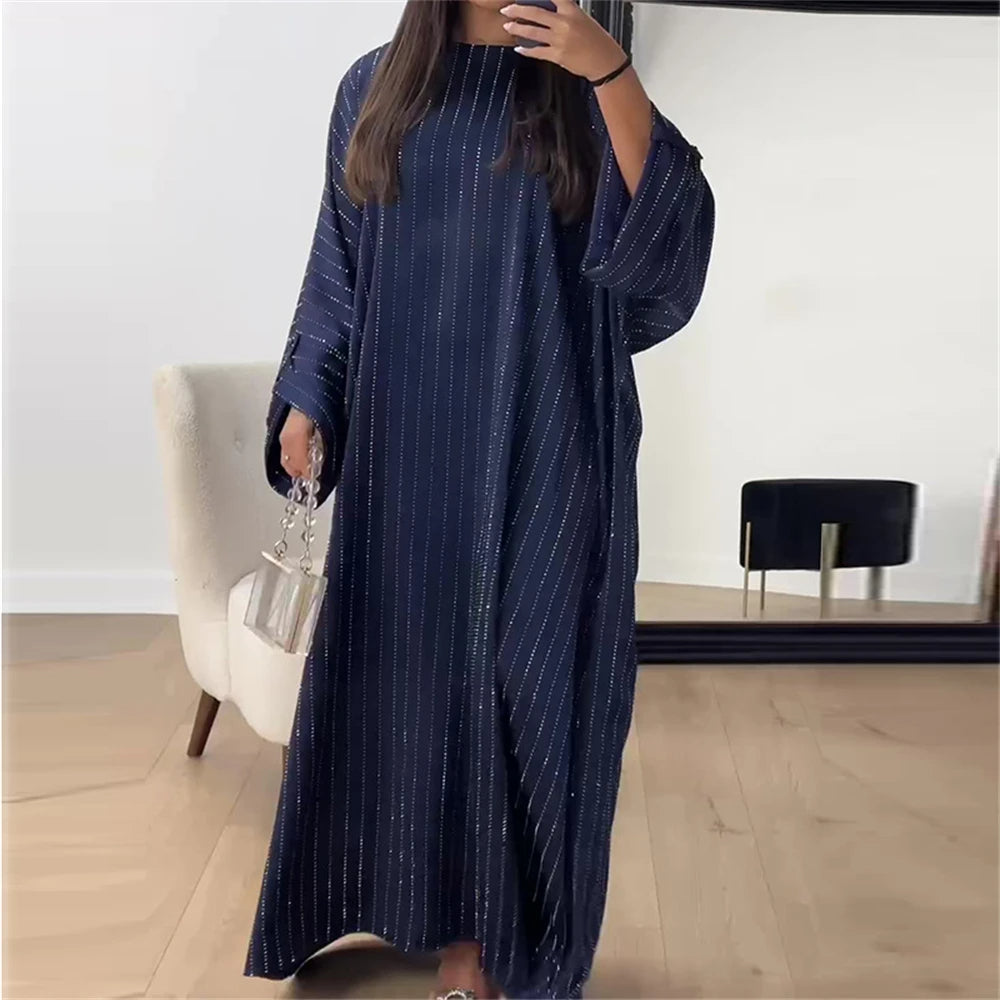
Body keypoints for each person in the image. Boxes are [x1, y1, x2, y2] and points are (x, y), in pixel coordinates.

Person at [242, 0, 714, 997]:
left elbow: (664, 255)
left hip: (552, 440)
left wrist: (609, 71)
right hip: (406, 450)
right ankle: (409, 911)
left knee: (528, 681)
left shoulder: (580, 83)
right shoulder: (374, 86)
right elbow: (339, 262)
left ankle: (493, 946)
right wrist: (310, 390)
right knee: (406, 685)